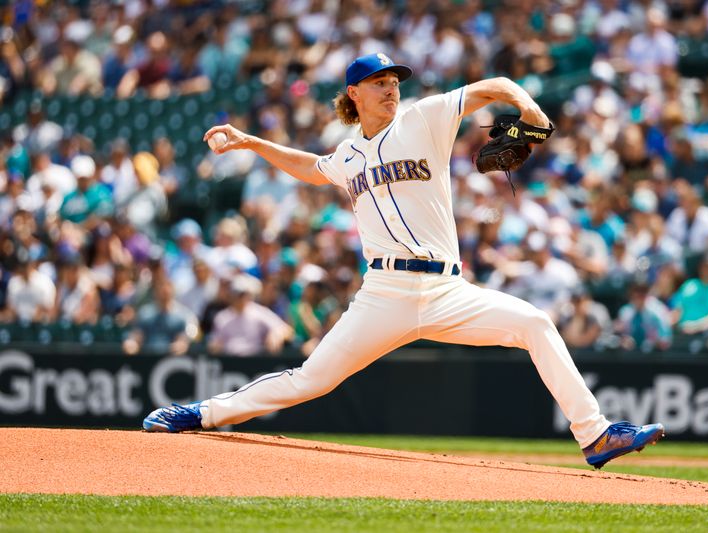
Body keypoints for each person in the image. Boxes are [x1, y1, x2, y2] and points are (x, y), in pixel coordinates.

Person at [144, 52, 664, 469]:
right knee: (310, 380)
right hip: (384, 294)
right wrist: (251, 142)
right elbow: (312, 168)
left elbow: (500, 85)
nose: (391, 87)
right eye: (378, 81)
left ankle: (594, 435)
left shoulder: (424, 118)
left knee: (535, 322)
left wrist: (533, 115)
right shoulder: (348, 155)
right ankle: (202, 413)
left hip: (446, 291)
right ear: (354, 93)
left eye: (394, 79)